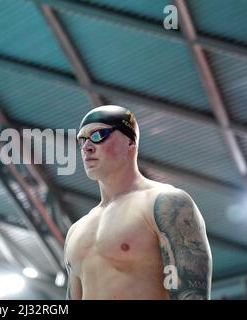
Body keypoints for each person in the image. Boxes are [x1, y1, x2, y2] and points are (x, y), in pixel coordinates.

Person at [64, 105, 212, 300]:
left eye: (98, 135)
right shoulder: (76, 230)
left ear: (130, 142)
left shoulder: (163, 203)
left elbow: (192, 294)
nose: (87, 147)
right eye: (82, 139)